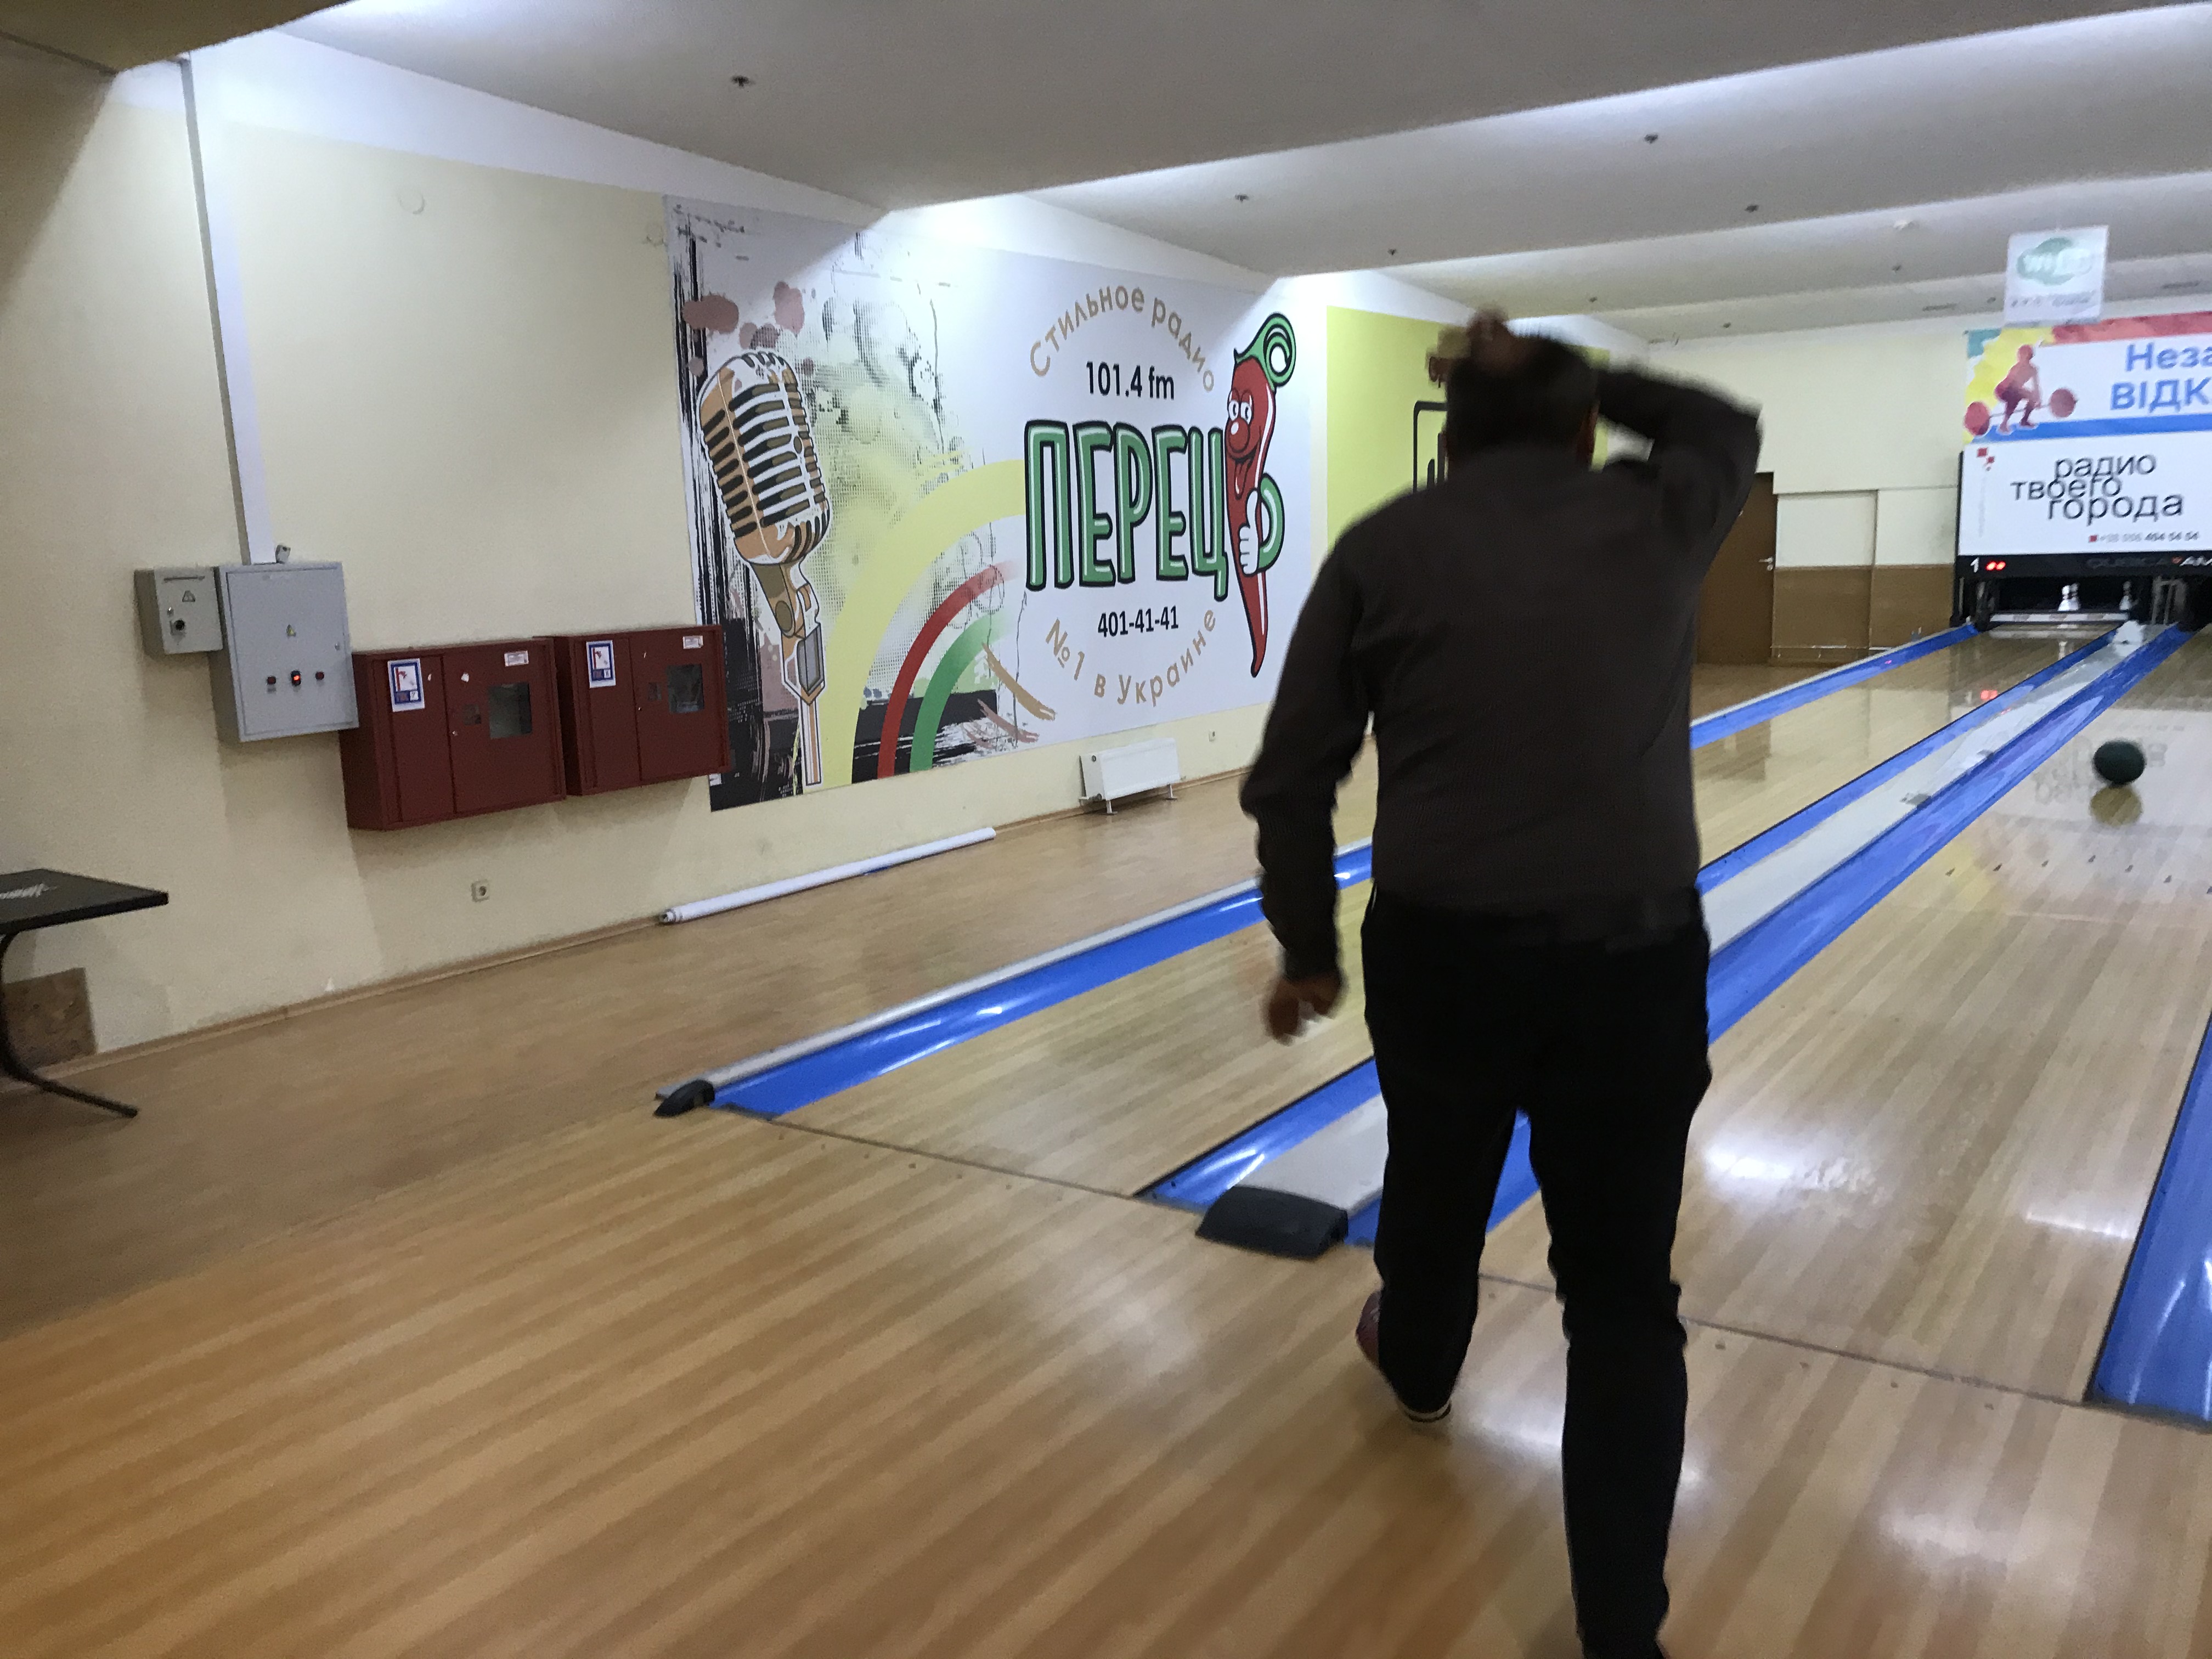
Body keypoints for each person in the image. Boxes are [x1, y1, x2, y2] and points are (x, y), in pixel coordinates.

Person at [1239, 313, 1759, 1659]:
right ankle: (1621, 1639)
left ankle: (1418, 1367)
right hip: (1633, 960)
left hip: (1444, 957)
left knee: (1436, 1182)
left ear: (1448, 440)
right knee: (1623, 1299)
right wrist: (1577, 365)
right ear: (1586, 428)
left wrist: (1308, 951)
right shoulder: (1654, 515)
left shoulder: (1382, 548)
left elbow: (1292, 779)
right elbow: (1724, 427)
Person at [1995, 343, 2041, 433]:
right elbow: (2010, 383)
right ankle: (2004, 424)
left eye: (2024, 355)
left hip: (2016, 391)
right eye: (2021, 355)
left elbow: (2036, 386)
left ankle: (2024, 420)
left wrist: (2038, 399)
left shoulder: (2033, 370)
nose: (2021, 358)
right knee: (2015, 397)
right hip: (2003, 390)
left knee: (2031, 396)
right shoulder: (2016, 368)